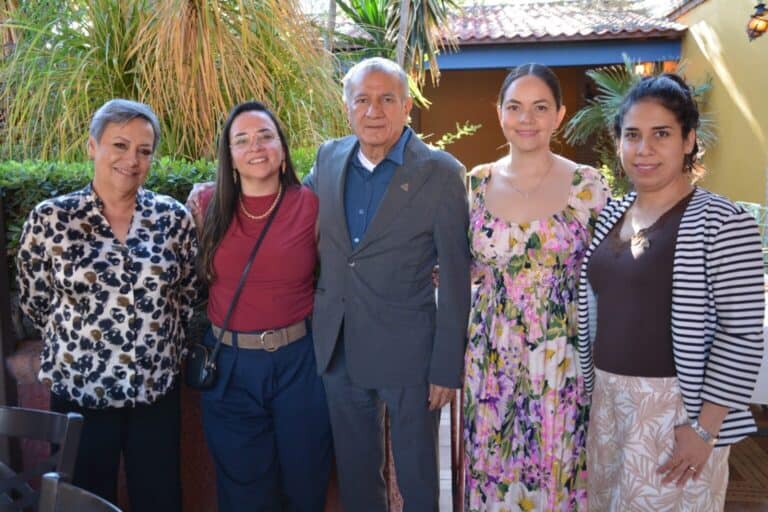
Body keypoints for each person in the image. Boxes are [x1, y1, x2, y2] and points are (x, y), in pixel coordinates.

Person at [577, 74, 765, 510]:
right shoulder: (614, 214)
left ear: (688, 140)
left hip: (678, 413)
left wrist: (704, 429)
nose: (644, 149)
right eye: (632, 135)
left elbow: (741, 334)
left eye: (661, 134)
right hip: (609, 405)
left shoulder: (724, 222)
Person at [303, 57, 471, 511]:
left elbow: (457, 275)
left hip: (411, 355)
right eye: (363, 100)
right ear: (347, 107)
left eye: (386, 99)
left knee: (417, 479)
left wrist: (445, 366)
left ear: (407, 106)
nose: (374, 111)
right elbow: (292, 220)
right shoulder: (328, 158)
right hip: (339, 349)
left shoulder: (441, 172)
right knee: (358, 479)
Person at [16, 99, 197, 511]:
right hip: (80, 393)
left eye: (144, 150)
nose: (131, 160)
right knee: (84, 501)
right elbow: (35, 300)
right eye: (119, 145)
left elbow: (186, 294)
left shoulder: (173, 218)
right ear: (92, 147)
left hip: (155, 392)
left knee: (161, 499)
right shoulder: (51, 220)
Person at [463, 63, 609, 511]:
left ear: (559, 114)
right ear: (500, 113)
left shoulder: (588, 185)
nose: (527, 119)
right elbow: (459, 263)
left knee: (558, 466)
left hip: (561, 356)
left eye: (540, 107)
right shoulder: (475, 182)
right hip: (490, 357)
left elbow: (611, 271)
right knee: (492, 469)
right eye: (515, 107)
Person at [188, 101, 332, 511]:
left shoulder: (312, 206)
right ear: (230, 156)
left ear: (282, 149)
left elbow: (340, 278)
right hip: (230, 367)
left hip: (299, 365)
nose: (256, 146)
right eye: (243, 139)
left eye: (266, 136)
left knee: (306, 485)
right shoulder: (204, 206)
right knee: (244, 495)